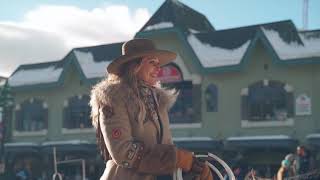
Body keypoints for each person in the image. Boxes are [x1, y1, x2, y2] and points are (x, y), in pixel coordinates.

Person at [90, 38, 213, 180]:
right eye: (152, 63)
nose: (158, 68)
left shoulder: (158, 100)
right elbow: (123, 152)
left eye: (158, 64)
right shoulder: (113, 98)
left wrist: (188, 167)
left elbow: (165, 148)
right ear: (135, 66)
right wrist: (177, 159)